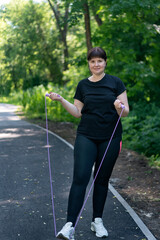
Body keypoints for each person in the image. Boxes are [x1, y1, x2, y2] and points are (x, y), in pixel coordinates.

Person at [49, 47, 129, 240]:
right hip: (86, 136)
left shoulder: (115, 83)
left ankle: (97, 221)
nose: (96, 64)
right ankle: (69, 225)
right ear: (89, 64)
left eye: (99, 61)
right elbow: (78, 112)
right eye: (92, 61)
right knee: (80, 178)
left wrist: (120, 107)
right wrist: (60, 99)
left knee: (101, 180)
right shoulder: (83, 85)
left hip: (110, 137)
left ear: (105, 62)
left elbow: (125, 112)